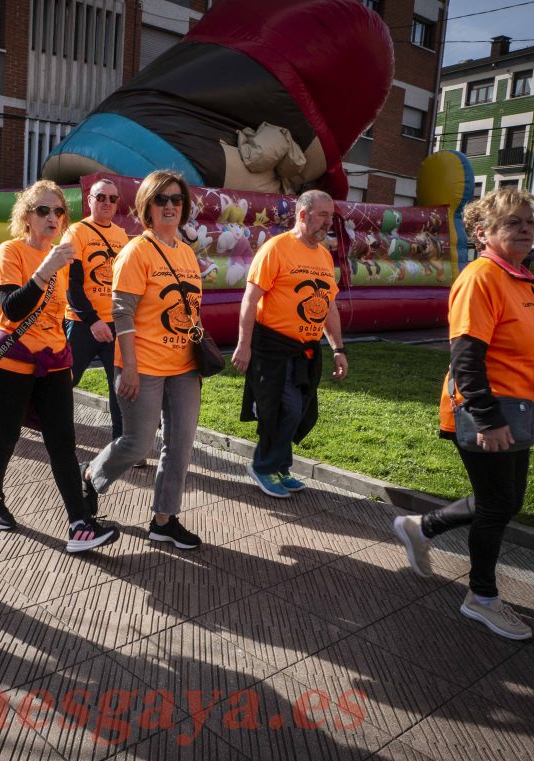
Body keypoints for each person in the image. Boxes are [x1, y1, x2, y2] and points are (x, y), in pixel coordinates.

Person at [393, 188, 534, 641]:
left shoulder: (526, 281)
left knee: (506, 501)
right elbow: (466, 358)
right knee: (497, 503)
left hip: (520, 411)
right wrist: (487, 418)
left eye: (530, 222)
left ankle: (421, 527)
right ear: (482, 232)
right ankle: (481, 596)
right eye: (513, 222)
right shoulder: (482, 277)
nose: (526, 230)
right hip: (490, 412)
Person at [0, 179, 119, 554]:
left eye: (58, 211)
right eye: (43, 210)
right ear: (26, 216)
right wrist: (45, 268)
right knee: (6, 435)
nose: (52, 217)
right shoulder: (10, 252)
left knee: (62, 443)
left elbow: (58, 316)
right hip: (13, 361)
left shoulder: (63, 258)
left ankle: (79, 524)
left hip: (54, 361)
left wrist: (67, 354)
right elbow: (12, 309)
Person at [81, 170, 204, 550]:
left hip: (184, 367)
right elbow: (122, 313)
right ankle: (91, 476)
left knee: (180, 446)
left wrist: (199, 355)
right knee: (137, 444)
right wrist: (129, 367)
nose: (170, 206)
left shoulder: (186, 253)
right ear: (147, 206)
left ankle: (164, 520)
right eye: (161, 199)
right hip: (143, 365)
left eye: (176, 199)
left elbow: (192, 310)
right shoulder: (137, 251)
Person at [231, 190, 347, 498]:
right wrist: (243, 345)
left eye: (331, 216)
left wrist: (338, 349)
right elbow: (250, 299)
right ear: (303, 215)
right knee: (286, 408)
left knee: (300, 410)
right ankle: (263, 466)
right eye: (323, 215)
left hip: (305, 350)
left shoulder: (324, 256)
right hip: (272, 347)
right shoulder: (276, 248)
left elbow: (329, 307)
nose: (329, 222)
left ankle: (280, 467)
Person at [64, 178, 130, 444]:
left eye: (112, 198)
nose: (107, 203)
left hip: (115, 324)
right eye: (100, 197)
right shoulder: (76, 232)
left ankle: (121, 443)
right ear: (89, 200)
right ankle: (50, 426)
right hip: (82, 323)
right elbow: (71, 284)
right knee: (65, 380)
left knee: (119, 386)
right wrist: (92, 321)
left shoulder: (122, 235)